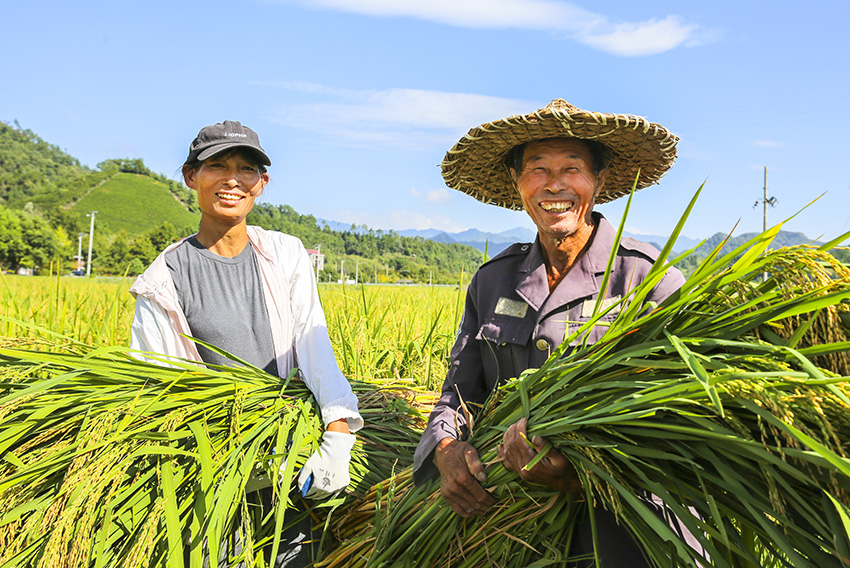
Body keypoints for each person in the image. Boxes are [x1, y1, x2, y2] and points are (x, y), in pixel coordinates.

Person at [413, 99, 696, 566]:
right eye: (537, 168)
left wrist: (582, 475)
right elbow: (458, 393)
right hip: (517, 529)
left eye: (572, 168)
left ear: (599, 182)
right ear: (517, 182)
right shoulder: (494, 280)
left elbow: (686, 418)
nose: (554, 184)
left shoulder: (645, 277)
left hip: (630, 525)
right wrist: (445, 448)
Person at [129, 120, 362, 567]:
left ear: (262, 183)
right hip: (214, 472)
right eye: (217, 165)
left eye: (246, 168)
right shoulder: (163, 281)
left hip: (297, 456)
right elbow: (162, 393)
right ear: (190, 176)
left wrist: (337, 433)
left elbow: (314, 346)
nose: (232, 179)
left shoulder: (286, 253)